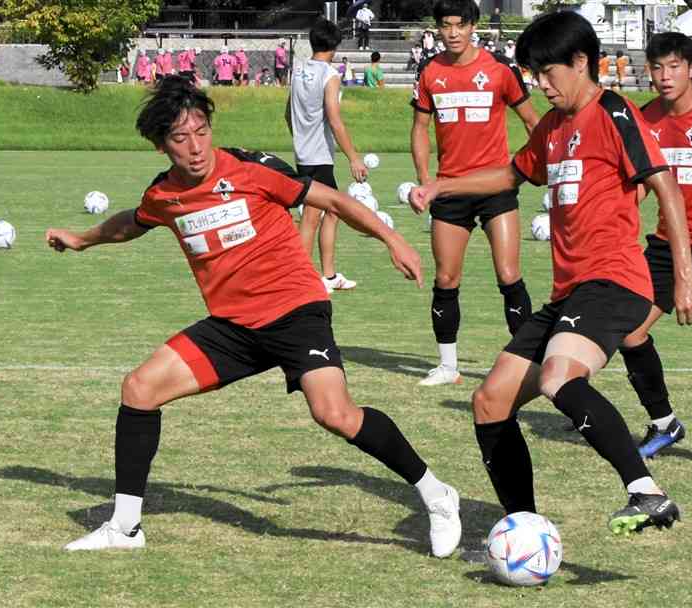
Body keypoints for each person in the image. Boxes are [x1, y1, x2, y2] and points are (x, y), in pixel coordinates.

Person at [48, 76, 462, 557]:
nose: (196, 147)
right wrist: (82, 238)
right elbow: (133, 222)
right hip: (234, 327)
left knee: (333, 413)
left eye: (202, 131)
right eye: (181, 139)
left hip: (295, 311)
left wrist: (393, 241)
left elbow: (331, 200)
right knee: (139, 389)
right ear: (160, 145)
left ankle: (437, 495)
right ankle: (125, 527)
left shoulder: (250, 168)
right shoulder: (165, 195)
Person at [410, 10, 692, 535]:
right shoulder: (553, 126)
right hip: (569, 292)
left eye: (548, 73)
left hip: (614, 281)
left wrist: (684, 275)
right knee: (490, 399)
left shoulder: (614, 113)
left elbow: (665, 187)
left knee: (557, 377)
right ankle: (522, 524)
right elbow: (511, 173)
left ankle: (648, 492)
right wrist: (441, 186)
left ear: (580, 61)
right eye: (533, 75)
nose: (540, 85)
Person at [410, 0, 540, 386]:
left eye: (460, 25)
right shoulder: (430, 71)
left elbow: (533, 121)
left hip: (495, 187)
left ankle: (526, 366)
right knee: (447, 278)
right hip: (449, 189)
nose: (452, 33)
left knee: (509, 274)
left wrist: (537, 166)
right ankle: (448, 366)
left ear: (473, 26)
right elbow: (419, 127)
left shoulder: (500, 69)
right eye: (446, 25)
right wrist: (423, 180)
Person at [618, 32, 692, 472]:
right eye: (657, 67)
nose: (664, 76)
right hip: (664, 245)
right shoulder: (645, 119)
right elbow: (639, 183)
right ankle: (665, 423)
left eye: (674, 67)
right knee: (627, 331)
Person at [286, 18, 366, 293]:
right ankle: (300, 280)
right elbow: (335, 119)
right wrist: (354, 157)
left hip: (304, 154)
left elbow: (288, 114)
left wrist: (300, 138)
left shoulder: (297, 71)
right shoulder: (330, 75)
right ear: (335, 45)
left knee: (332, 212)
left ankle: (329, 276)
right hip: (319, 156)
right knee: (312, 216)